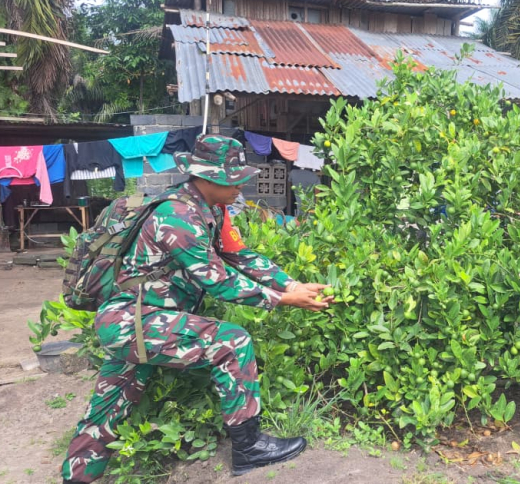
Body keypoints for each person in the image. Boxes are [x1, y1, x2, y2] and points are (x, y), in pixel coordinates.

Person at [62, 135, 333, 483]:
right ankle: (249, 448)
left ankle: (77, 475)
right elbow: (218, 281)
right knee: (231, 342)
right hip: (133, 321)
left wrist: (291, 285)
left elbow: (239, 255)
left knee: (111, 403)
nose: (240, 186)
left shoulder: (211, 210)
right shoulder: (177, 216)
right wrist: (280, 300)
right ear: (206, 177)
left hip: (138, 321)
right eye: (232, 180)